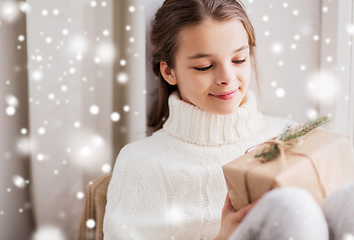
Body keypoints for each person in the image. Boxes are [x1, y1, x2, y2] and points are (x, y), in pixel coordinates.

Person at [103, 0, 354, 239]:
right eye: (204, 66)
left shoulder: (291, 135)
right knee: (289, 207)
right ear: (169, 71)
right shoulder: (141, 164)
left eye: (238, 60)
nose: (227, 77)